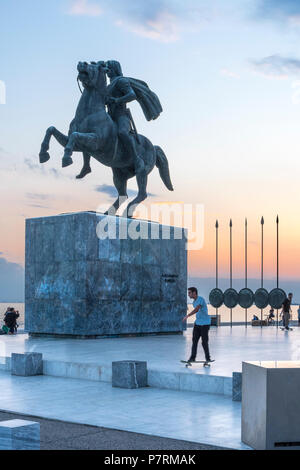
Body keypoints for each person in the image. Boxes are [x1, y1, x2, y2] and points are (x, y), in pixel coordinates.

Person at [182, 287, 212, 363]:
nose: (188, 294)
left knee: (204, 342)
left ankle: (208, 358)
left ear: (194, 293)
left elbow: (197, 309)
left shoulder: (200, 299)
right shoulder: (193, 302)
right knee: (194, 341)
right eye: (188, 293)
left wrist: (187, 315)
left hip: (205, 324)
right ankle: (192, 357)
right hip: (197, 323)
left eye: (189, 293)